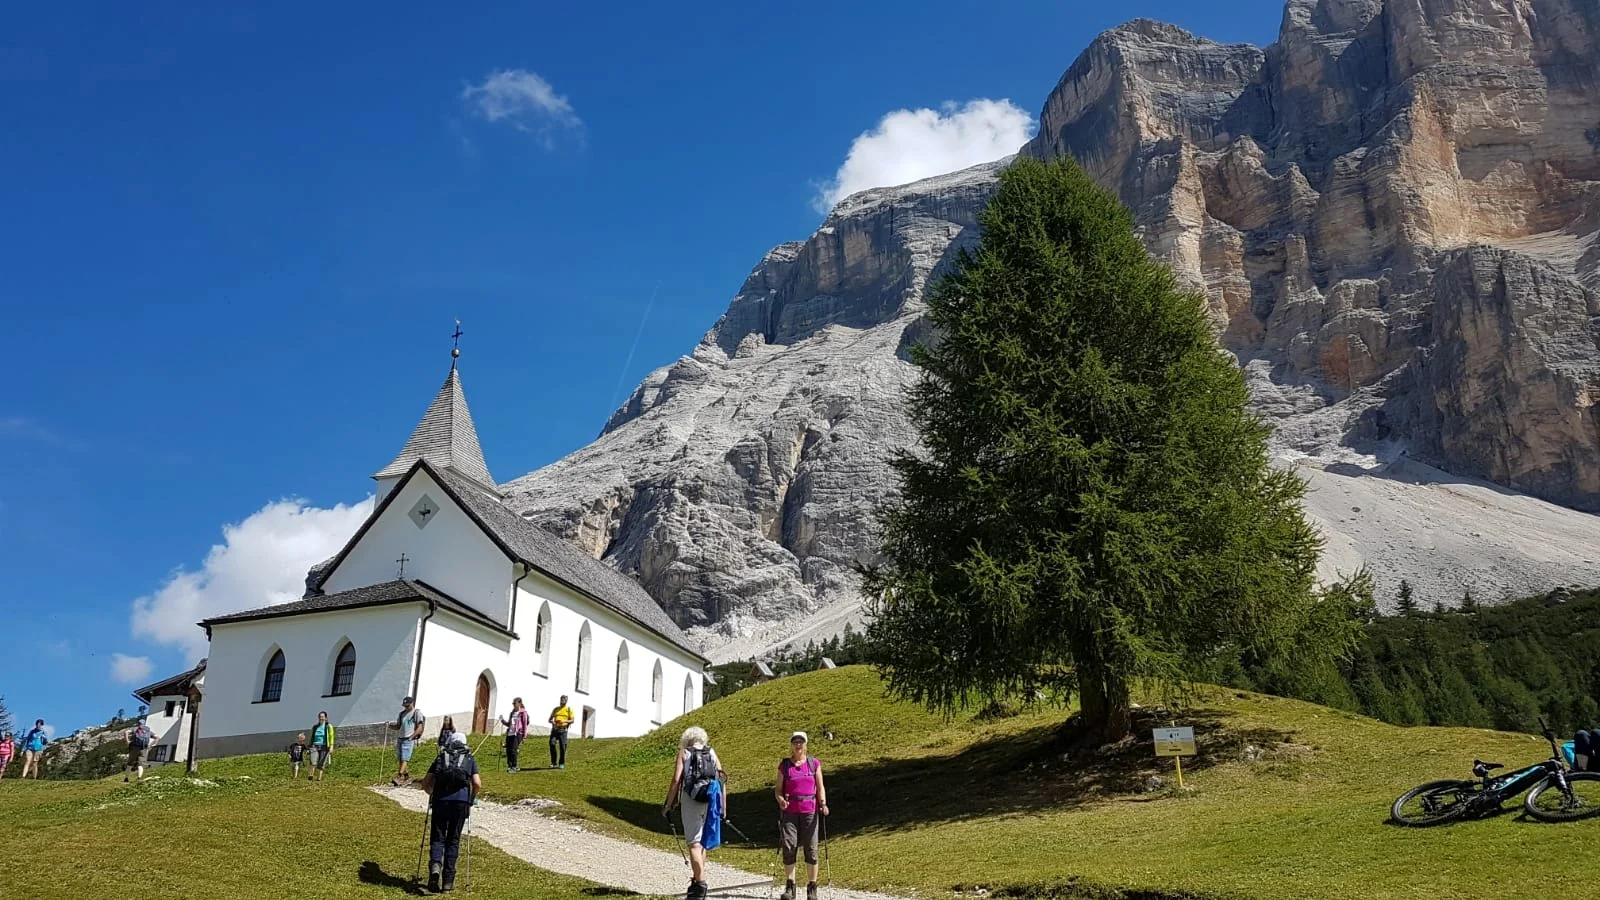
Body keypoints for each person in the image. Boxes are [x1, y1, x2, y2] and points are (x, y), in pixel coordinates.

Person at [662, 726, 726, 900]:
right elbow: (722, 779)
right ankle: (697, 881)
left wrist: (668, 804)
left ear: (686, 739)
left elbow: (676, 780)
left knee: (693, 844)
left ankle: (700, 886)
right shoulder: (711, 752)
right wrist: (722, 805)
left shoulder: (685, 753)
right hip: (710, 799)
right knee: (702, 843)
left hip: (691, 800)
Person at [420, 731, 482, 894]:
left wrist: (432, 793)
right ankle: (448, 882)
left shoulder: (441, 756)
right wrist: (471, 798)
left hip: (441, 800)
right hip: (461, 802)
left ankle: (435, 866)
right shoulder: (469, 758)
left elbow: (426, 783)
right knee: (453, 839)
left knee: (438, 837)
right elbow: (477, 783)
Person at [774, 731, 830, 900]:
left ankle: (812, 887)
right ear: (791, 745)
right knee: (789, 846)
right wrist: (781, 800)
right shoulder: (785, 765)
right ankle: (790, 886)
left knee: (811, 849)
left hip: (810, 812)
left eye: (801, 742)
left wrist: (823, 804)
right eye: (795, 742)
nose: (798, 745)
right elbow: (777, 790)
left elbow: (820, 787)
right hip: (790, 812)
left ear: (805, 745)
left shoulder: (813, 764)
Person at [385, 696, 425, 785]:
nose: (406, 707)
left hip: (408, 738)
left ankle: (399, 776)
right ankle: (406, 776)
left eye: (407, 705)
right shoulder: (401, 714)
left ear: (412, 703)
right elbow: (398, 726)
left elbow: (420, 727)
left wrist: (412, 736)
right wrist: (390, 726)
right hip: (400, 738)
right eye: (405, 705)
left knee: (405, 758)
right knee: (400, 758)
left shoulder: (416, 713)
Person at [500, 697, 529, 773]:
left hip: (518, 733)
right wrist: (502, 721)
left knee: (513, 750)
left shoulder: (523, 713)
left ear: (519, 703)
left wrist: (524, 736)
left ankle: (514, 766)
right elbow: (509, 724)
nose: (513, 705)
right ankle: (509, 766)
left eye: (514, 703)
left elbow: (525, 724)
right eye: (513, 703)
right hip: (510, 733)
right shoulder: (512, 713)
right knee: (508, 750)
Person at [123, 717, 154, 782]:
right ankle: (139, 778)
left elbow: (126, 732)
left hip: (134, 748)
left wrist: (127, 741)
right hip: (143, 748)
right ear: (144, 724)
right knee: (140, 764)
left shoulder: (135, 729)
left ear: (138, 723)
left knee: (130, 764)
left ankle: (126, 778)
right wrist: (151, 745)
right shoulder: (148, 731)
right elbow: (157, 737)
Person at [548, 696, 574, 769]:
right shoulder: (556, 709)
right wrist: (553, 722)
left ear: (566, 701)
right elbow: (549, 719)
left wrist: (564, 721)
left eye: (564, 700)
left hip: (563, 730)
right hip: (555, 729)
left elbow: (572, 720)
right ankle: (553, 762)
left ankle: (561, 763)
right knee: (552, 744)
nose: (562, 701)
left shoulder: (568, 710)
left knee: (563, 747)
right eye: (562, 700)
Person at [310, 711, 335, 781]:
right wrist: (309, 746)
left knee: (321, 763)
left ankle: (318, 779)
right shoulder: (315, 727)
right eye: (320, 717)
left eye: (323, 717)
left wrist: (331, 746)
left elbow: (331, 736)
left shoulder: (328, 726)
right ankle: (310, 775)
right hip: (315, 745)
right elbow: (311, 737)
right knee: (313, 761)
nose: (321, 718)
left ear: (326, 718)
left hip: (324, 746)